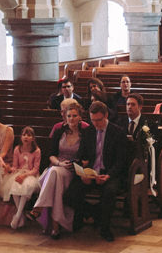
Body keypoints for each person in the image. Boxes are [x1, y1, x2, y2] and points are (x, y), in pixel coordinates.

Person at [67, 99, 129, 241]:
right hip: (91, 173)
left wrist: (108, 176)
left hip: (109, 174)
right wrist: (83, 173)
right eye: (93, 120)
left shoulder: (117, 132)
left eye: (99, 120)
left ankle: (105, 228)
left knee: (110, 192)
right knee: (70, 194)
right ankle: (95, 213)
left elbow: (121, 161)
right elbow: (80, 155)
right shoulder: (88, 131)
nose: (96, 124)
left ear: (106, 115)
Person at [34, 100, 88, 238]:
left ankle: (40, 207)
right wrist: (59, 163)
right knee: (54, 175)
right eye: (69, 116)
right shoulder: (59, 132)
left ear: (80, 117)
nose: (71, 119)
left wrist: (75, 164)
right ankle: (55, 227)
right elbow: (51, 155)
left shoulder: (86, 133)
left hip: (73, 170)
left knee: (53, 174)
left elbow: (87, 157)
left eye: (74, 116)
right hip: (58, 167)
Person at [0, 126, 43, 228]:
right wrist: (10, 170)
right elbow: (15, 166)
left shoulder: (36, 151)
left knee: (26, 186)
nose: (26, 137)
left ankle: (18, 215)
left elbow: (35, 169)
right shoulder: (17, 149)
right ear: (21, 137)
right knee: (14, 185)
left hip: (31, 174)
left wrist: (25, 175)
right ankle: (21, 214)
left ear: (33, 138)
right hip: (19, 172)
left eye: (29, 135)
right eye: (24, 135)